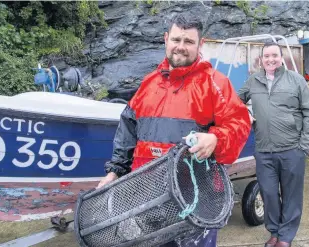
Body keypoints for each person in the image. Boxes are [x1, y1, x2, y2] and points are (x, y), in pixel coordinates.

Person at [96, 14, 251, 247]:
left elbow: (239, 124)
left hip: (196, 200)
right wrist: (115, 171)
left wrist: (216, 138)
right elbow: (128, 128)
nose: (181, 47)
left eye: (189, 42)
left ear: (201, 44)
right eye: (176, 39)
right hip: (146, 198)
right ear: (166, 39)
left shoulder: (215, 83)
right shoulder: (148, 84)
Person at [237, 42, 309, 247]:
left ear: (281, 58)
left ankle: (285, 237)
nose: (270, 59)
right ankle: (274, 232)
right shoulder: (253, 81)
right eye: (266, 56)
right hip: (264, 151)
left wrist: (305, 146)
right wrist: (246, 113)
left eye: (274, 55)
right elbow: (235, 102)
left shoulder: (296, 81)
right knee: (269, 193)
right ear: (261, 59)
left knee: (292, 196)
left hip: (292, 150)